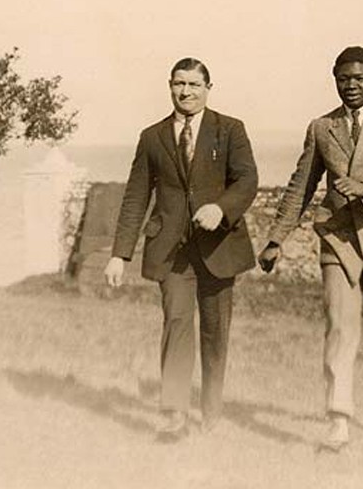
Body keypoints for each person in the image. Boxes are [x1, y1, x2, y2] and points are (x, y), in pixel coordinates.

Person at [258, 46, 363, 451]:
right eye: (343, 78)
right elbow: (301, 186)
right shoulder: (321, 127)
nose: (351, 85)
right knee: (339, 328)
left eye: (359, 78)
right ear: (334, 80)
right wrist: (276, 238)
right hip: (339, 240)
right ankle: (338, 418)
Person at [105, 57, 258, 441]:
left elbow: (247, 180)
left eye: (193, 84)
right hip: (171, 253)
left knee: (215, 332)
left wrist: (220, 208)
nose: (185, 92)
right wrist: (119, 254)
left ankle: (211, 410)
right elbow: (136, 196)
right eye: (179, 84)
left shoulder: (230, 130)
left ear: (208, 88)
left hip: (219, 248)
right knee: (176, 322)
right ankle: (174, 413)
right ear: (170, 86)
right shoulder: (152, 137)